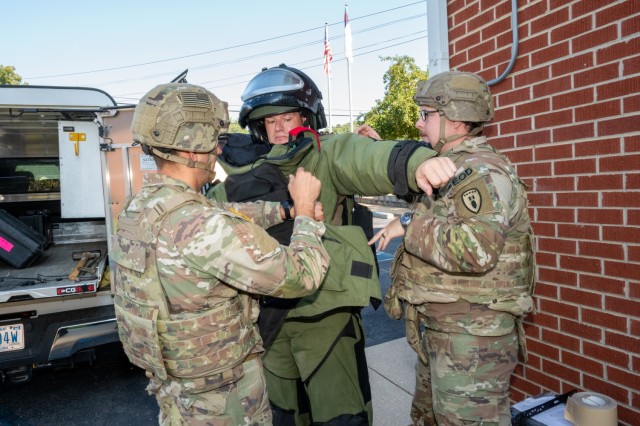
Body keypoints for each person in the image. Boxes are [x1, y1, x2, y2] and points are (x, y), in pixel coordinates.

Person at [207, 64, 456, 425]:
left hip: (322, 314)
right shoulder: (239, 172)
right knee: (283, 414)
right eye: (270, 120)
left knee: (339, 414)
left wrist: (415, 162)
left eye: (287, 116)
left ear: (306, 117)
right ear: (258, 126)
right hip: (271, 318)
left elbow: (366, 158)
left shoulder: (325, 153)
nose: (279, 127)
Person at [110, 82, 331, 425]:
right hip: (225, 402)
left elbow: (223, 219)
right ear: (195, 149)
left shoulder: (140, 207)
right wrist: (303, 211)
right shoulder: (203, 226)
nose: (218, 148)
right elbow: (302, 275)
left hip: (178, 394)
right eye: (214, 139)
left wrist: (282, 211)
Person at [370, 71, 535, 426]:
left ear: (455, 117)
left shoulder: (481, 172)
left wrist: (408, 224)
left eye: (426, 114)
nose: (418, 123)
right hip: (450, 331)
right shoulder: (455, 166)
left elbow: (476, 251)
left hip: (473, 339)